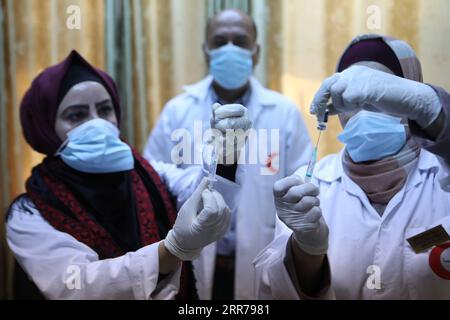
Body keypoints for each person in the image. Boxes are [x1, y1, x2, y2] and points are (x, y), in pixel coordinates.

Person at [6, 50, 233, 300]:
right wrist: (170, 251)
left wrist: (225, 153)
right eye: (77, 115)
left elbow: (203, 196)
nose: (97, 123)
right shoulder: (30, 211)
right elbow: (76, 286)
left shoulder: (148, 174)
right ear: (46, 129)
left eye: (105, 110)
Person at [254, 34, 450, 299]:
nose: (365, 108)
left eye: (379, 91)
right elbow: (277, 291)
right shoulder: (310, 187)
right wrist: (307, 250)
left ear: (410, 94)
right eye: (351, 95)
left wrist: (431, 105)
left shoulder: (443, 175)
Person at [144, 9, 312, 299]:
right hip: (191, 259)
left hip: (262, 255)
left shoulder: (283, 113)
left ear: (256, 52)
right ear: (206, 50)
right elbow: (151, 180)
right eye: (220, 41)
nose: (229, 49)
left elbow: (305, 180)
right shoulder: (177, 111)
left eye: (240, 41)